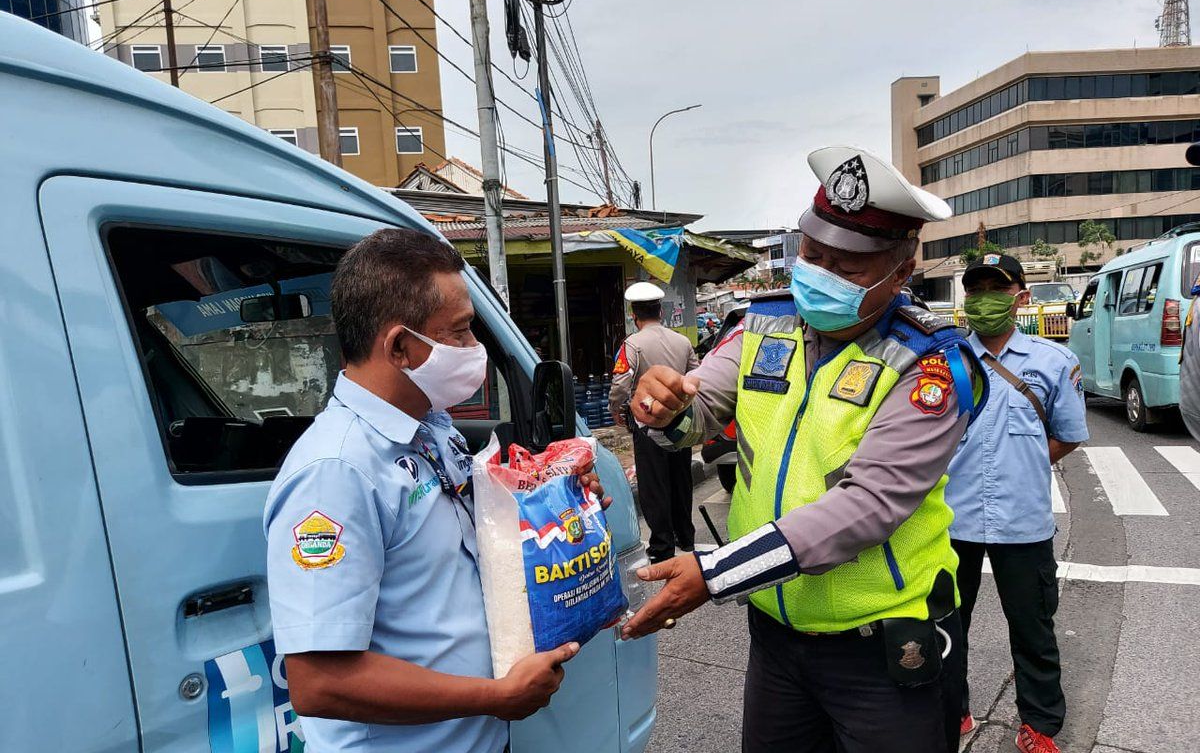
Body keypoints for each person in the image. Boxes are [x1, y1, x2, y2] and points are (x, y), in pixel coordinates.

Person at [620, 146, 990, 753]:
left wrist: (715, 573)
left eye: (847, 268)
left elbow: (866, 506)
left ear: (900, 273)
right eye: (813, 255)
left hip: (884, 645)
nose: (819, 274)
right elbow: (702, 405)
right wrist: (665, 408)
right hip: (777, 636)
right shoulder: (765, 324)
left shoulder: (930, 364)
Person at [263, 229, 609, 753]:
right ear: (401, 346)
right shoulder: (336, 471)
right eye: (462, 333)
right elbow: (318, 682)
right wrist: (493, 697)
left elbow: (469, 539)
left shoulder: (431, 426)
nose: (475, 351)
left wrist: (560, 502)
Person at [948, 254, 1088, 753]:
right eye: (977, 289)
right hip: (951, 520)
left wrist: (1023, 461)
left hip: (1023, 522)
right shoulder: (944, 361)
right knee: (946, 627)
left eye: (997, 288)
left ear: (1021, 297)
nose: (985, 298)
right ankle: (951, 710)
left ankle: (1040, 723)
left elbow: (1068, 435)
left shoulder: (1055, 362)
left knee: (1033, 628)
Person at [608, 282, 700, 563]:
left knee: (653, 483)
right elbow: (697, 376)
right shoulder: (682, 342)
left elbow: (620, 385)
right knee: (681, 479)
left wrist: (616, 410)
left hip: (647, 423)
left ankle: (661, 546)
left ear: (633, 315)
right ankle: (685, 536)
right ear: (661, 311)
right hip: (680, 421)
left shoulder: (632, 345)